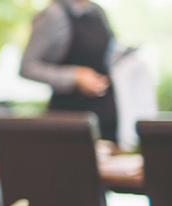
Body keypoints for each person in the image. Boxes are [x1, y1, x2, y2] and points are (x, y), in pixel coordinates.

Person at [20, 0, 121, 143]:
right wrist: (74, 76)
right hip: (70, 118)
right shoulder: (53, 14)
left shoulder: (97, 12)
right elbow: (27, 66)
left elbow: (108, 54)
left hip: (104, 116)